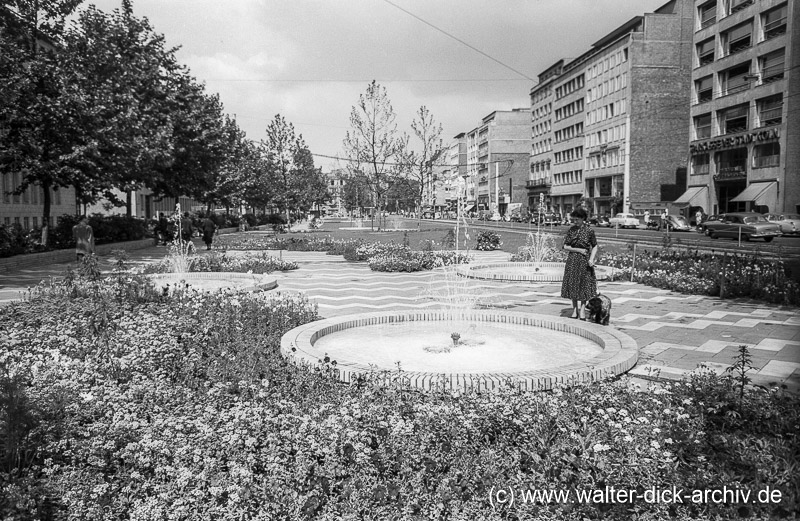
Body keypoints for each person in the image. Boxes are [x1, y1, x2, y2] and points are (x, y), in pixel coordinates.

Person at [560, 207, 598, 320]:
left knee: (583, 285)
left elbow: (595, 245)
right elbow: (565, 246)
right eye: (573, 219)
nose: (575, 222)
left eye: (577, 219)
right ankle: (575, 309)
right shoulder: (571, 230)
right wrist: (578, 250)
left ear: (583, 219)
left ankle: (582, 310)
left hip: (584, 261)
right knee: (573, 284)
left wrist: (591, 259)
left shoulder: (589, 231)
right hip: (573, 260)